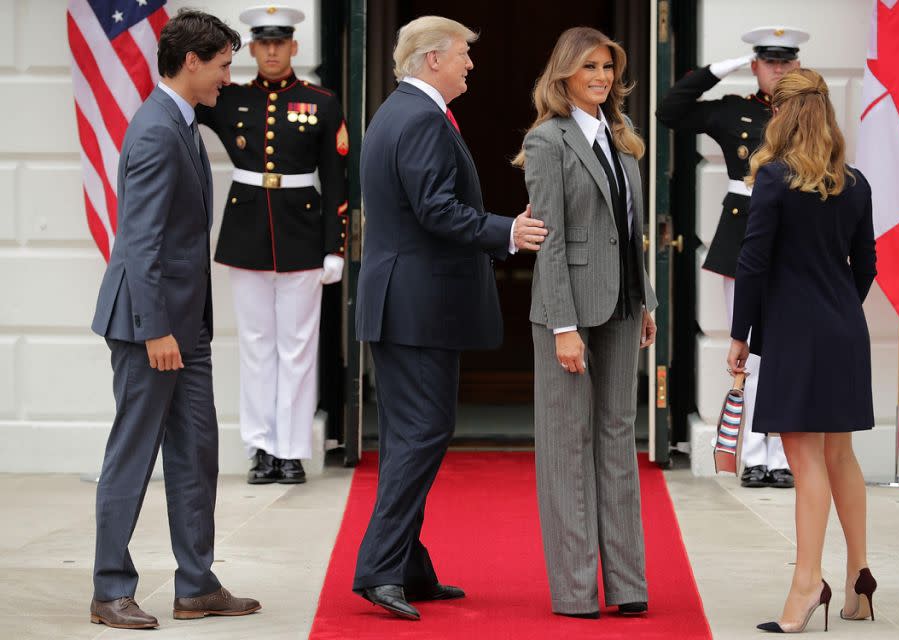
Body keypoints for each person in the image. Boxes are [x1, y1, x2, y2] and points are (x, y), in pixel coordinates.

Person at [353, 15, 548, 621]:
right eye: (464, 54)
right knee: (422, 435)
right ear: (432, 58)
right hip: (416, 307)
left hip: (404, 304)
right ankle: (380, 570)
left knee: (415, 434)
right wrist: (507, 232)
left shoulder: (399, 112)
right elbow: (436, 209)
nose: (470, 65)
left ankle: (407, 568)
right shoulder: (420, 119)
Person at [89, 10, 260, 629]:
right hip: (150, 327)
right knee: (132, 456)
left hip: (185, 329)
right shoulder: (158, 130)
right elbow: (140, 242)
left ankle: (196, 585)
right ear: (192, 61)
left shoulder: (182, 122)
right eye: (222, 64)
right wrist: (156, 328)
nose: (227, 76)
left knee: (196, 453)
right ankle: (110, 588)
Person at [727, 68, 877, 634]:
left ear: (780, 114)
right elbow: (865, 268)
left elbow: (753, 264)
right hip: (845, 330)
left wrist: (742, 336)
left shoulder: (773, 178)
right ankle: (860, 580)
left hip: (796, 333)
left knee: (806, 460)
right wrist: (837, 309)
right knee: (841, 456)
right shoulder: (855, 181)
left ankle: (807, 583)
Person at [514, 26, 657, 619]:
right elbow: (546, 241)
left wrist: (645, 300)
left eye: (607, 68)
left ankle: (627, 586)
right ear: (564, 73)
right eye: (589, 68)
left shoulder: (622, 140)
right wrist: (562, 326)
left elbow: (631, 232)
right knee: (567, 447)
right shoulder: (547, 140)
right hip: (568, 312)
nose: (600, 77)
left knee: (619, 440)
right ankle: (575, 590)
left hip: (623, 306)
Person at [197, 5, 349, 485]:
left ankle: (291, 450)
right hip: (246, 236)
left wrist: (336, 246)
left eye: (279, 42)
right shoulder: (228, 99)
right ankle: (261, 448)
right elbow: (177, 95)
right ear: (253, 48)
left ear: (293, 47)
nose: (271, 51)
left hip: (303, 235)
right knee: (257, 347)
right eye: (262, 43)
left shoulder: (321, 102)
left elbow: (337, 179)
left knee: (298, 348)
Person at [657, 26, 811, 489]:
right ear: (756, 65)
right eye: (769, 62)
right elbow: (670, 110)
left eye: (786, 63)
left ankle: (782, 454)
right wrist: (721, 69)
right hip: (742, 238)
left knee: (786, 352)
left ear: (797, 67)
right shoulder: (734, 110)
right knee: (750, 353)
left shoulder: (810, 115)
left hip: (793, 241)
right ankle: (753, 454)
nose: (778, 70)